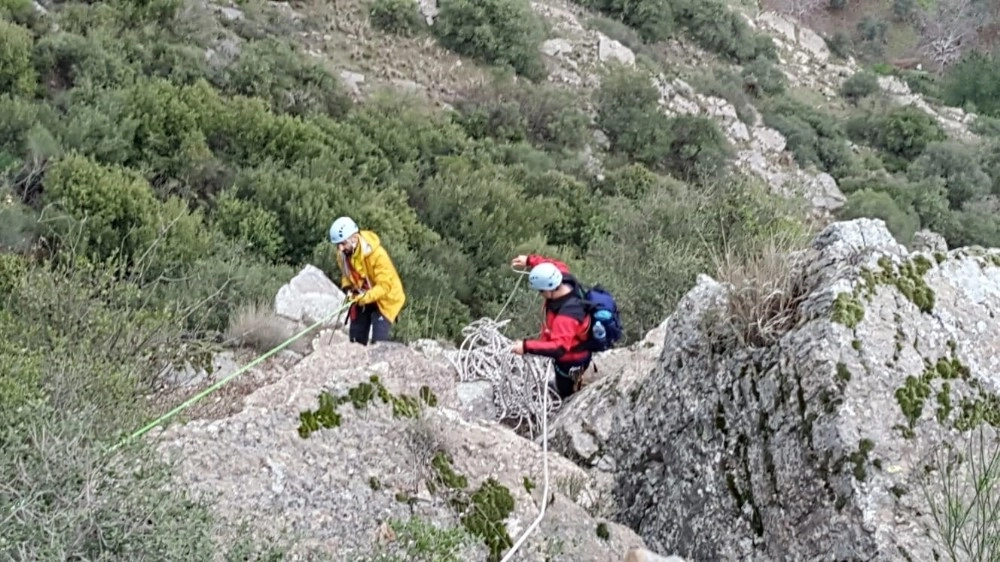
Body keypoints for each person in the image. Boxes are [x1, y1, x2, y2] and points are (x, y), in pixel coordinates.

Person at [510, 253, 592, 400]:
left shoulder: (567, 315)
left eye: (541, 291)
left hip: (572, 359)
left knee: (565, 388)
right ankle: (574, 383)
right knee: (569, 377)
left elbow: (558, 348)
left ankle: (568, 395)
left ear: (548, 290)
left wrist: (526, 346)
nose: (540, 294)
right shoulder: (564, 276)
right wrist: (529, 260)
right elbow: (551, 264)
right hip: (576, 351)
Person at [328, 216, 406, 345]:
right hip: (362, 295)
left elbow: (385, 286)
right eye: (338, 245)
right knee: (355, 340)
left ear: (354, 238)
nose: (340, 248)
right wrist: (347, 288)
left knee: (379, 344)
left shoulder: (377, 255)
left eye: (343, 243)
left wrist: (363, 298)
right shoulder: (342, 255)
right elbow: (346, 275)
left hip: (385, 299)